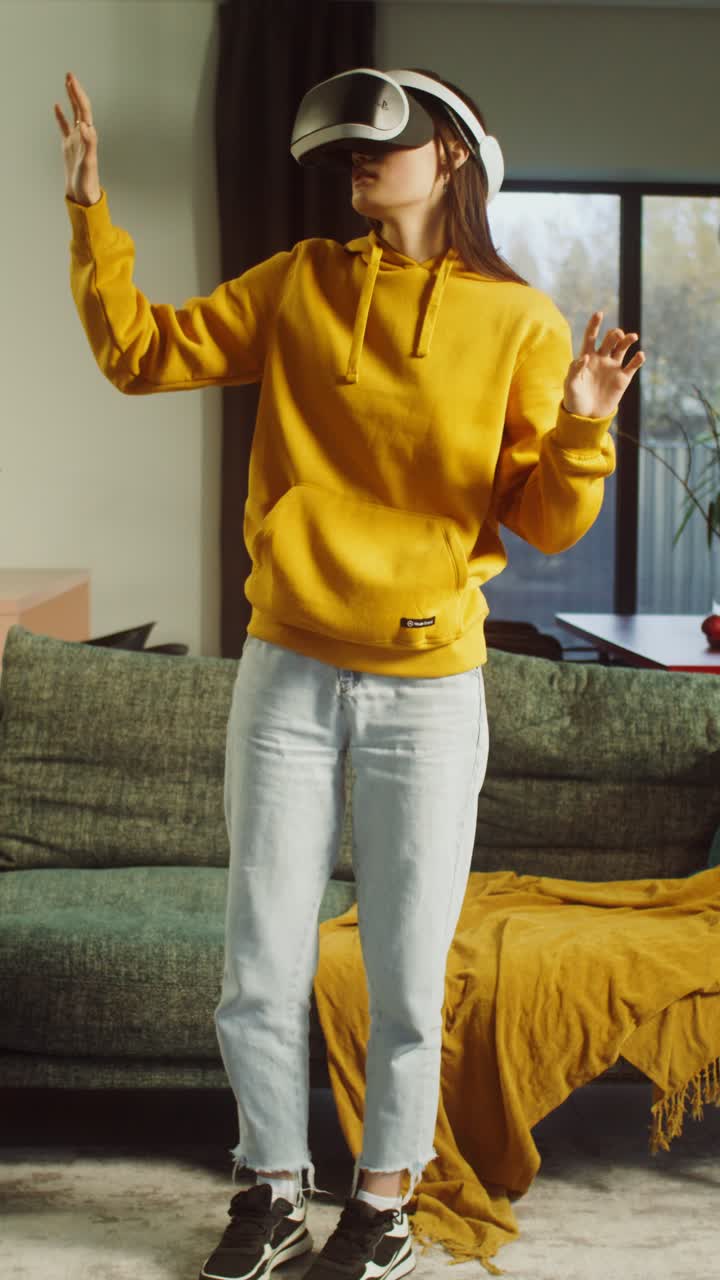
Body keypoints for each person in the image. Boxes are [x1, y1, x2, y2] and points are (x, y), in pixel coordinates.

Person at [55, 67, 645, 1280]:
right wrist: (90, 217)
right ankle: (269, 1191)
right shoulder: (305, 285)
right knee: (258, 958)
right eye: (348, 156)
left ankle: (381, 1208)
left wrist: (584, 424)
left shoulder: (520, 323)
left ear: (456, 159)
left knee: (405, 975)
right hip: (286, 668)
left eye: (385, 147)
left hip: (428, 690)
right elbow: (139, 353)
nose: (359, 167)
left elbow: (542, 520)